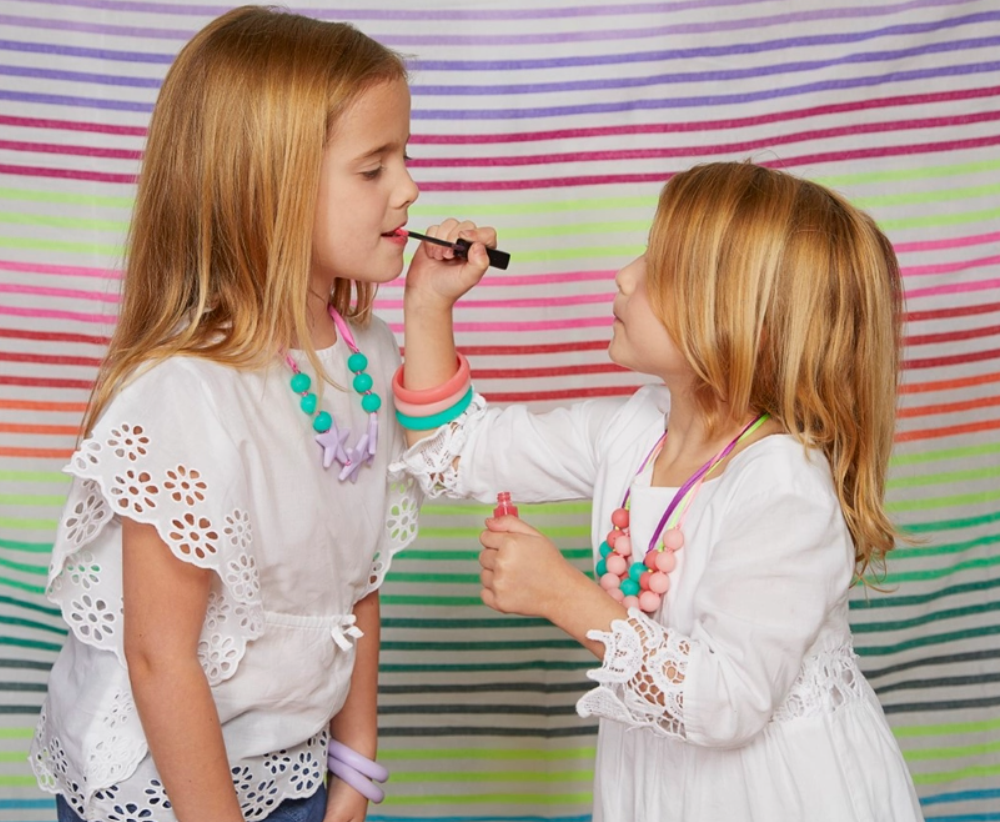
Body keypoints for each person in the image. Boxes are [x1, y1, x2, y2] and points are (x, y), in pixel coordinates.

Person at [30, 7, 493, 822]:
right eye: (373, 167)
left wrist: (354, 767)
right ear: (266, 188)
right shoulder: (187, 391)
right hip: (162, 783)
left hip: (290, 763)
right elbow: (157, 654)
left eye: (406, 156)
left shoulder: (370, 355)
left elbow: (358, 585)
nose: (410, 188)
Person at [392, 162, 924, 821]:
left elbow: (727, 699)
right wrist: (427, 303)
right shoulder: (635, 430)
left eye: (660, 267)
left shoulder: (782, 489)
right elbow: (455, 452)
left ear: (741, 322)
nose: (624, 276)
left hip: (781, 797)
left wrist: (562, 595)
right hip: (664, 787)